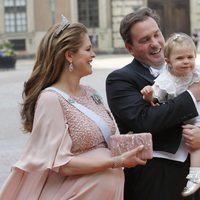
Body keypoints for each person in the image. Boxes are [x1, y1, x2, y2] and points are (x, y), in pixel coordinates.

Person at [0, 16, 147, 200]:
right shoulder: (50, 99)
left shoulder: (91, 92)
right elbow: (62, 164)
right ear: (69, 55)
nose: (93, 55)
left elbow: (103, 141)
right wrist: (116, 162)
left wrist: (126, 143)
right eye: (87, 49)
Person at [106, 7, 200, 200]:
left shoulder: (193, 69)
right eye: (144, 40)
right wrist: (193, 94)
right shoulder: (120, 80)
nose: (155, 43)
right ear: (129, 47)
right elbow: (145, 121)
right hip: (157, 178)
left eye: (157, 34)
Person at [141, 32, 200, 197]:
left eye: (190, 57)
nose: (186, 61)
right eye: (180, 58)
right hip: (186, 118)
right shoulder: (165, 79)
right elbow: (156, 98)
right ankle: (195, 175)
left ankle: (196, 175)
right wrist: (148, 95)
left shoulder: (197, 73)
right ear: (168, 62)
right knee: (193, 138)